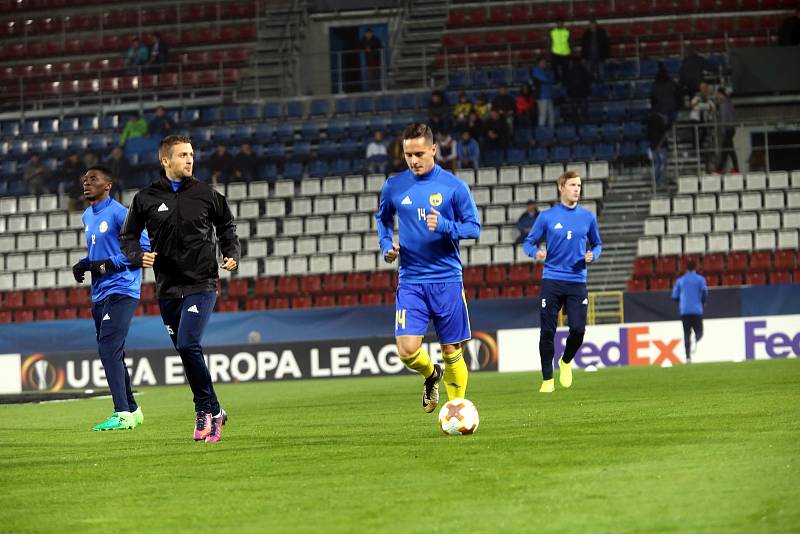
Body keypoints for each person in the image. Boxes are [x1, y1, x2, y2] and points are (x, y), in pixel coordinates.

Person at [120, 135, 240, 443]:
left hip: (202, 282)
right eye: (183, 155)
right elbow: (128, 237)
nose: (190, 159)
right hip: (168, 287)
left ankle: (206, 412)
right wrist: (137, 255)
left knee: (188, 345)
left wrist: (232, 253)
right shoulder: (145, 198)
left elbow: (227, 226)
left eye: (191, 154)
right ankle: (215, 409)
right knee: (186, 352)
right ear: (165, 161)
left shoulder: (206, 194)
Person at [376, 122, 481, 413]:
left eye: (420, 153)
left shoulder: (453, 187)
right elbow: (382, 219)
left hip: (447, 278)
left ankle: (457, 409)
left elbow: (474, 227)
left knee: (451, 350)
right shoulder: (394, 185)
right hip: (410, 279)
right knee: (407, 351)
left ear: (433, 149)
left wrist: (446, 226)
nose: (414, 160)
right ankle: (430, 374)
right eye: (408, 155)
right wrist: (387, 246)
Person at [72, 165, 150, 431]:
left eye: (93, 179)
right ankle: (134, 410)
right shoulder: (86, 216)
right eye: (85, 179)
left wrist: (108, 265)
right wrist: (84, 264)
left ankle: (122, 413)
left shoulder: (120, 213)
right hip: (99, 294)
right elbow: (98, 254)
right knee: (113, 351)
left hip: (122, 290)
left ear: (108, 185)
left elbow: (145, 248)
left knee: (108, 349)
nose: (86, 182)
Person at [523, 170, 602, 393]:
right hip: (552, 280)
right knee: (547, 332)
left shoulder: (588, 217)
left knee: (578, 330)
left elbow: (597, 244)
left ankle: (566, 361)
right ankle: (547, 379)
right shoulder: (547, 217)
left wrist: (592, 255)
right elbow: (528, 242)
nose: (577, 189)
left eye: (579, 185)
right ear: (561, 187)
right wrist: (535, 253)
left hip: (577, 281)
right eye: (573, 185)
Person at [671, 260, 708, 363]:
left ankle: (687, 357)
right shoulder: (700, 279)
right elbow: (705, 292)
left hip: (684, 311)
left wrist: (682, 302)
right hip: (697, 310)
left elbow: (674, 296)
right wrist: (703, 302)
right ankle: (696, 339)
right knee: (700, 332)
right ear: (696, 267)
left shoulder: (680, 280)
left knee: (686, 333)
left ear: (686, 268)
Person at [689, 81, 716, 172]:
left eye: (705, 88)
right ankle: (696, 150)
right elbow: (692, 105)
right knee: (696, 135)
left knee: (704, 134)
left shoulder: (708, 99)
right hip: (696, 120)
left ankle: (701, 150)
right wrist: (700, 104)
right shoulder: (696, 97)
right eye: (702, 88)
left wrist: (707, 107)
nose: (704, 90)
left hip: (704, 121)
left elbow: (713, 108)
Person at [715, 87, 738, 174]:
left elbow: (724, 118)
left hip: (727, 129)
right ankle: (720, 168)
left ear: (720, 94)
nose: (716, 96)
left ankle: (735, 168)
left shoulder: (723, 104)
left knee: (729, 150)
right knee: (726, 150)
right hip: (731, 128)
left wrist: (722, 131)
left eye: (717, 94)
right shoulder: (729, 102)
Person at [564, 57, 591, 123]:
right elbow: (588, 82)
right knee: (584, 110)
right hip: (583, 94)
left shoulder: (570, 71)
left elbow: (567, 83)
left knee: (574, 111)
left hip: (573, 94)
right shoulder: (584, 71)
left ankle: (575, 125)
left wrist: (568, 93)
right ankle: (585, 124)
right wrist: (589, 92)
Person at [532, 58, 555, 128]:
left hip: (549, 95)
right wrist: (548, 78)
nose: (544, 64)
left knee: (551, 114)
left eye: (545, 62)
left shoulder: (547, 71)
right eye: (542, 62)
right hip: (541, 96)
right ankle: (541, 133)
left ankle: (551, 131)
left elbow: (552, 79)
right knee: (543, 115)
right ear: (538, 63)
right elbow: (545, 79)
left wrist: (548, 78)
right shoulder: (536, 70)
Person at [647, 112, 669, 184]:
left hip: (654, 145)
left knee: (657, 163)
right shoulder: (661, 120)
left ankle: (656, 179)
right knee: (661, 163)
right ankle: (660, 180)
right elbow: (665, 132)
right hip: (660, 145)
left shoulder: (650, 122)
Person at [549, 18, 571, 84]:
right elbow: (549, 42)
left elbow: (570, 42)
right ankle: (557, 82)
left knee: (566, 70)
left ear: (563, 24)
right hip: (555, 53)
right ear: (556, 24)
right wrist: (549, 52)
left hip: (565, 53)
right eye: (558, 23)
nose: (560, 24)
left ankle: (565, 82)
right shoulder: (552, 32)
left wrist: (571, 52)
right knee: (554, 69)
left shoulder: (567, 32)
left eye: (561, 23)